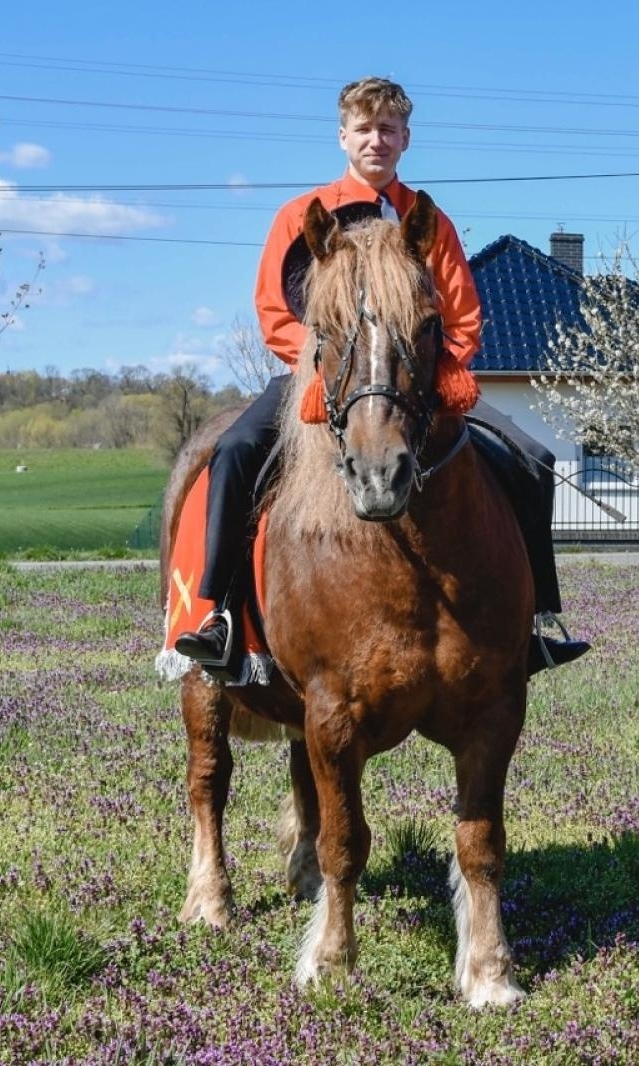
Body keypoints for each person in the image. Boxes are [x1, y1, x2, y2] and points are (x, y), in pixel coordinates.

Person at [173, 77, 588, 676]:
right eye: (365, 129)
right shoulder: (300, 216)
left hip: (416, 380)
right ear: (343, 136)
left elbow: (462, 312)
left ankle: (535, 622)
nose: (377, 140)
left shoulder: (427, 220)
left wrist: (445, 371)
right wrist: (320, 368)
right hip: (320, 374)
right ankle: (219, 615)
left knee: (533, 458)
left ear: (406, 139)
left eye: (388, 129)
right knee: (236, 450)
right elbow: (273, 311)